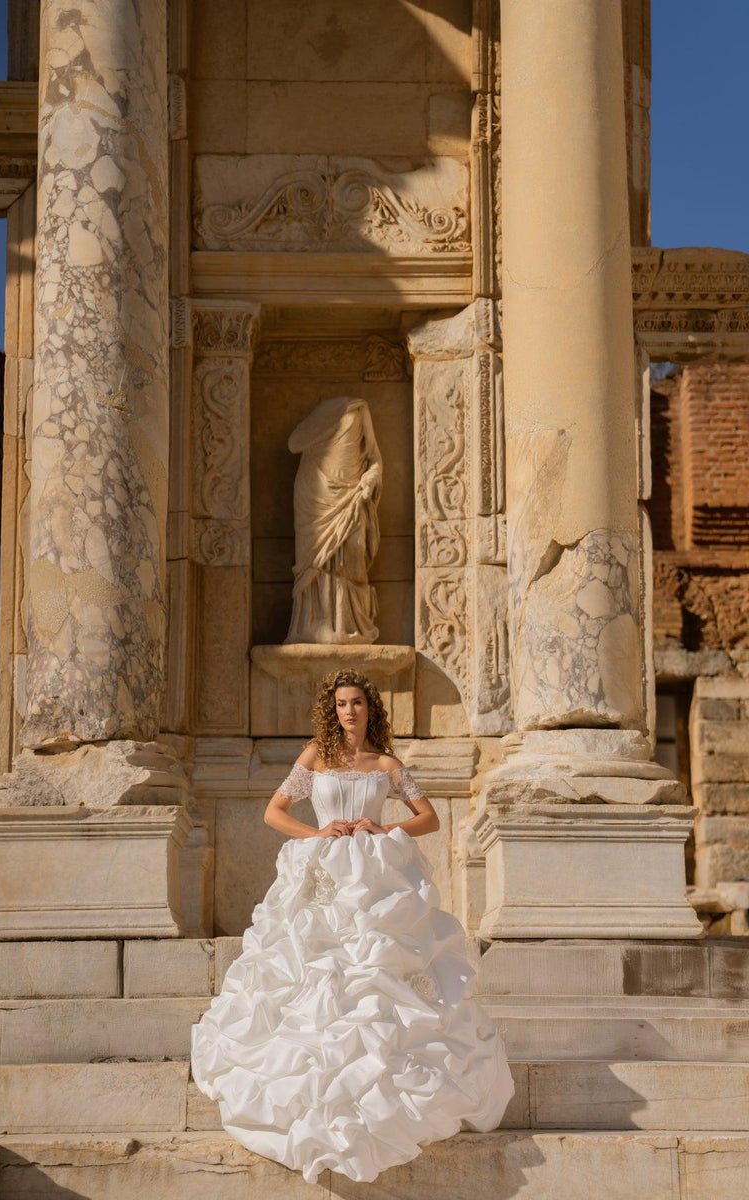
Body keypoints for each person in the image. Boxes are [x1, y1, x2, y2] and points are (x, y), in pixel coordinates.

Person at [190, 669, 514, 1184]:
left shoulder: (386, 764)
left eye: (357, 702)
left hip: (372, 879)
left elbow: (427, 817)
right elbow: (275, 813)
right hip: (322, 875)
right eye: (341, 703)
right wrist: (316, 834)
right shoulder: (314, 756)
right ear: (332, 709)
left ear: (370, 709)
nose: (349, 711)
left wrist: (384, 826)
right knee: (314, 967)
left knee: (373, 969)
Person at [285, 396, 382, 645]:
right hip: (317, 495)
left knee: (354, 551)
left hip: (352, 493)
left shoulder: (360, 410)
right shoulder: (321, 421)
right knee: (316, 559)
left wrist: (370, 478)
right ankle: (314, 624)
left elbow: (374, 459)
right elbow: (294, 444)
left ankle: (350, 624)